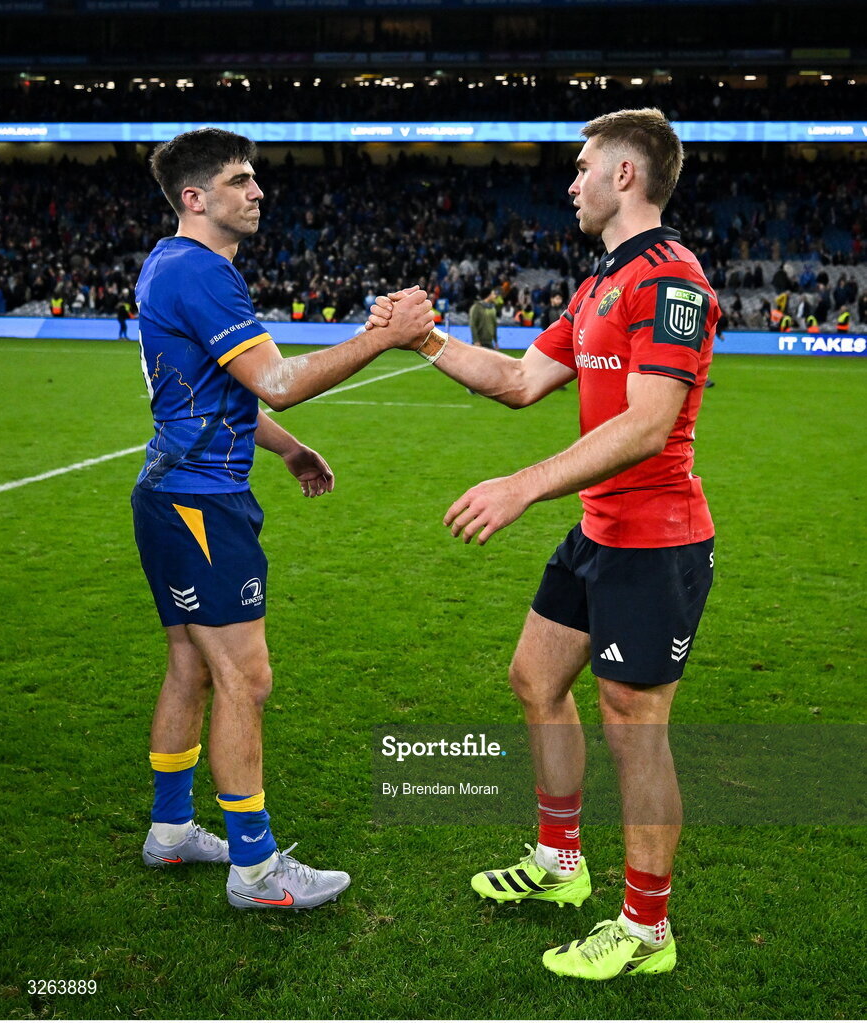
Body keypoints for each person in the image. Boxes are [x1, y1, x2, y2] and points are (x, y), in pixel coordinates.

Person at [369, 108, 717, 980]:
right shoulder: (600, 283)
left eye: (582, 165)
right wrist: (429, 340)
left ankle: (646, 930)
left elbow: (648, 424)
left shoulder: (671, 280)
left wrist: (522, 484)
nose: (571, 181)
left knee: (635, 726)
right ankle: (563, 866)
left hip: (654, 538)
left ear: (625, 176)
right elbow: (522, 380)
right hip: (599, 529)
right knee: (535, 679)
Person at [132, 128, 433, 912]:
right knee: (245, 677)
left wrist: (291, 450)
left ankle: (170, 831)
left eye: (255, 177)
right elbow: (275, 380)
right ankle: (257, 870)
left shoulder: (176, 265)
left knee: (191, 667)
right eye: (238, 180)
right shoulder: (199, 272)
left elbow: (218, 394)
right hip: (199, 504)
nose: (257, 190)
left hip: (176, 495)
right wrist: (383, 335)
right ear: (195, 198)